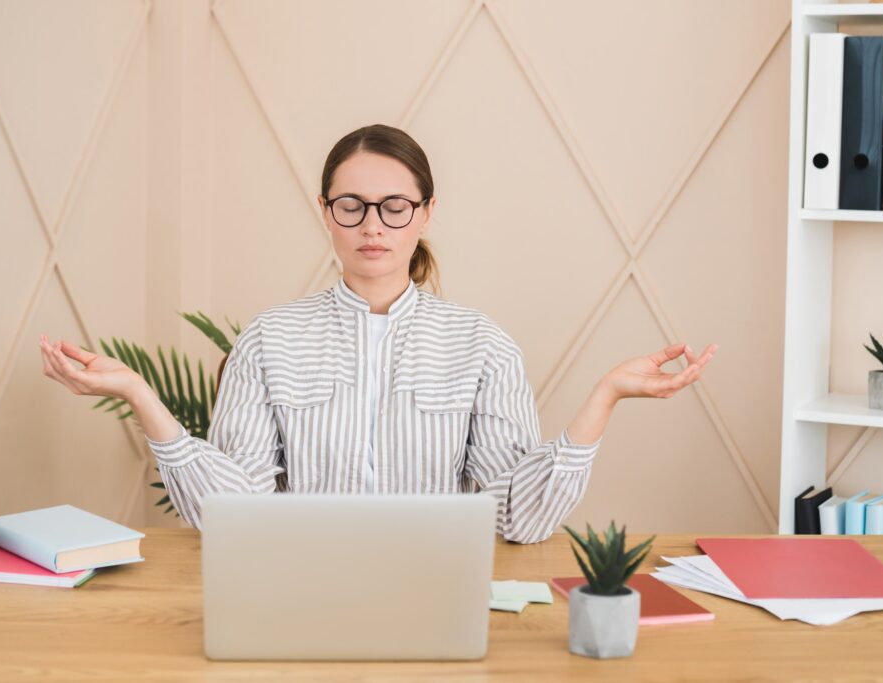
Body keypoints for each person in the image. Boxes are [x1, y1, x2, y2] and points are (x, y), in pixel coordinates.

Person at [39, 124, 716, 544]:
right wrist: (138, 393)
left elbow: (520, 519)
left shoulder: (483, 345)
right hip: (297, 594)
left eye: (395, 207)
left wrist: (605, 396)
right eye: (352, 205)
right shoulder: (268, 341)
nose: (373, 225)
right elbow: (230, 513)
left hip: (436, 595)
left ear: (425, 213)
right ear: (325, 213)